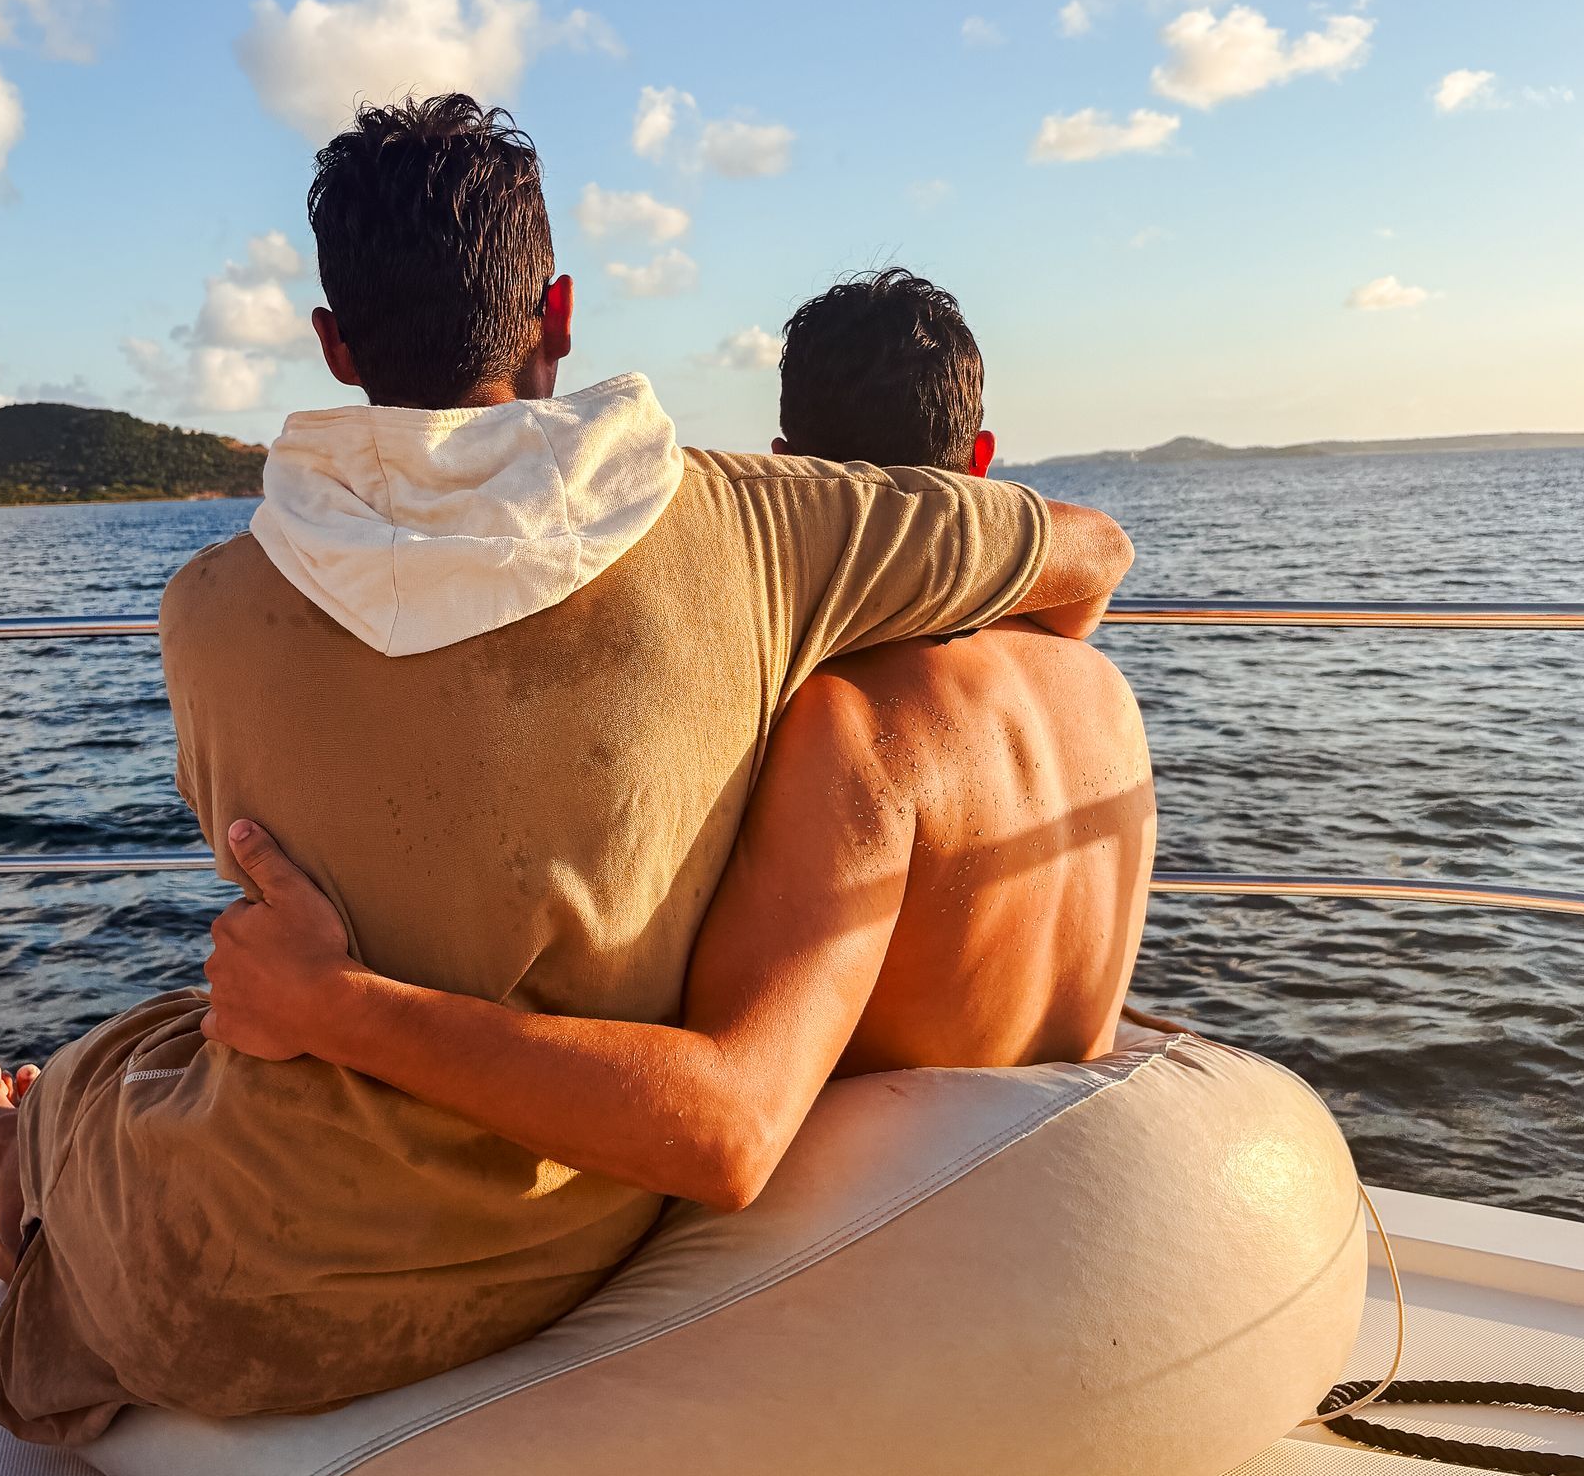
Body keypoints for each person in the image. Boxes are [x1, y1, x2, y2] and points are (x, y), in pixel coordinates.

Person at [0, 103, 1133, 1441]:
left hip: (233, 1285)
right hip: (550, 1246)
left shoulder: (205, 608)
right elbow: (1091, 550)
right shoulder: (764, 527)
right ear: (557, 312)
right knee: (157, 1045)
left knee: (140, 1059)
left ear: (334, 343)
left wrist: (341, 1005)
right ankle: (12, 1144)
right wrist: (990, 676)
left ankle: (1, 1156)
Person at [196, 270, 1155, 1213]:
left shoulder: (853, 723)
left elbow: (728, 1128)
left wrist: (334, 1001)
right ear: (981, 460)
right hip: (1077, 1197)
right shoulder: (1102, 692)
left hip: (907, 1245)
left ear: (786, 467)